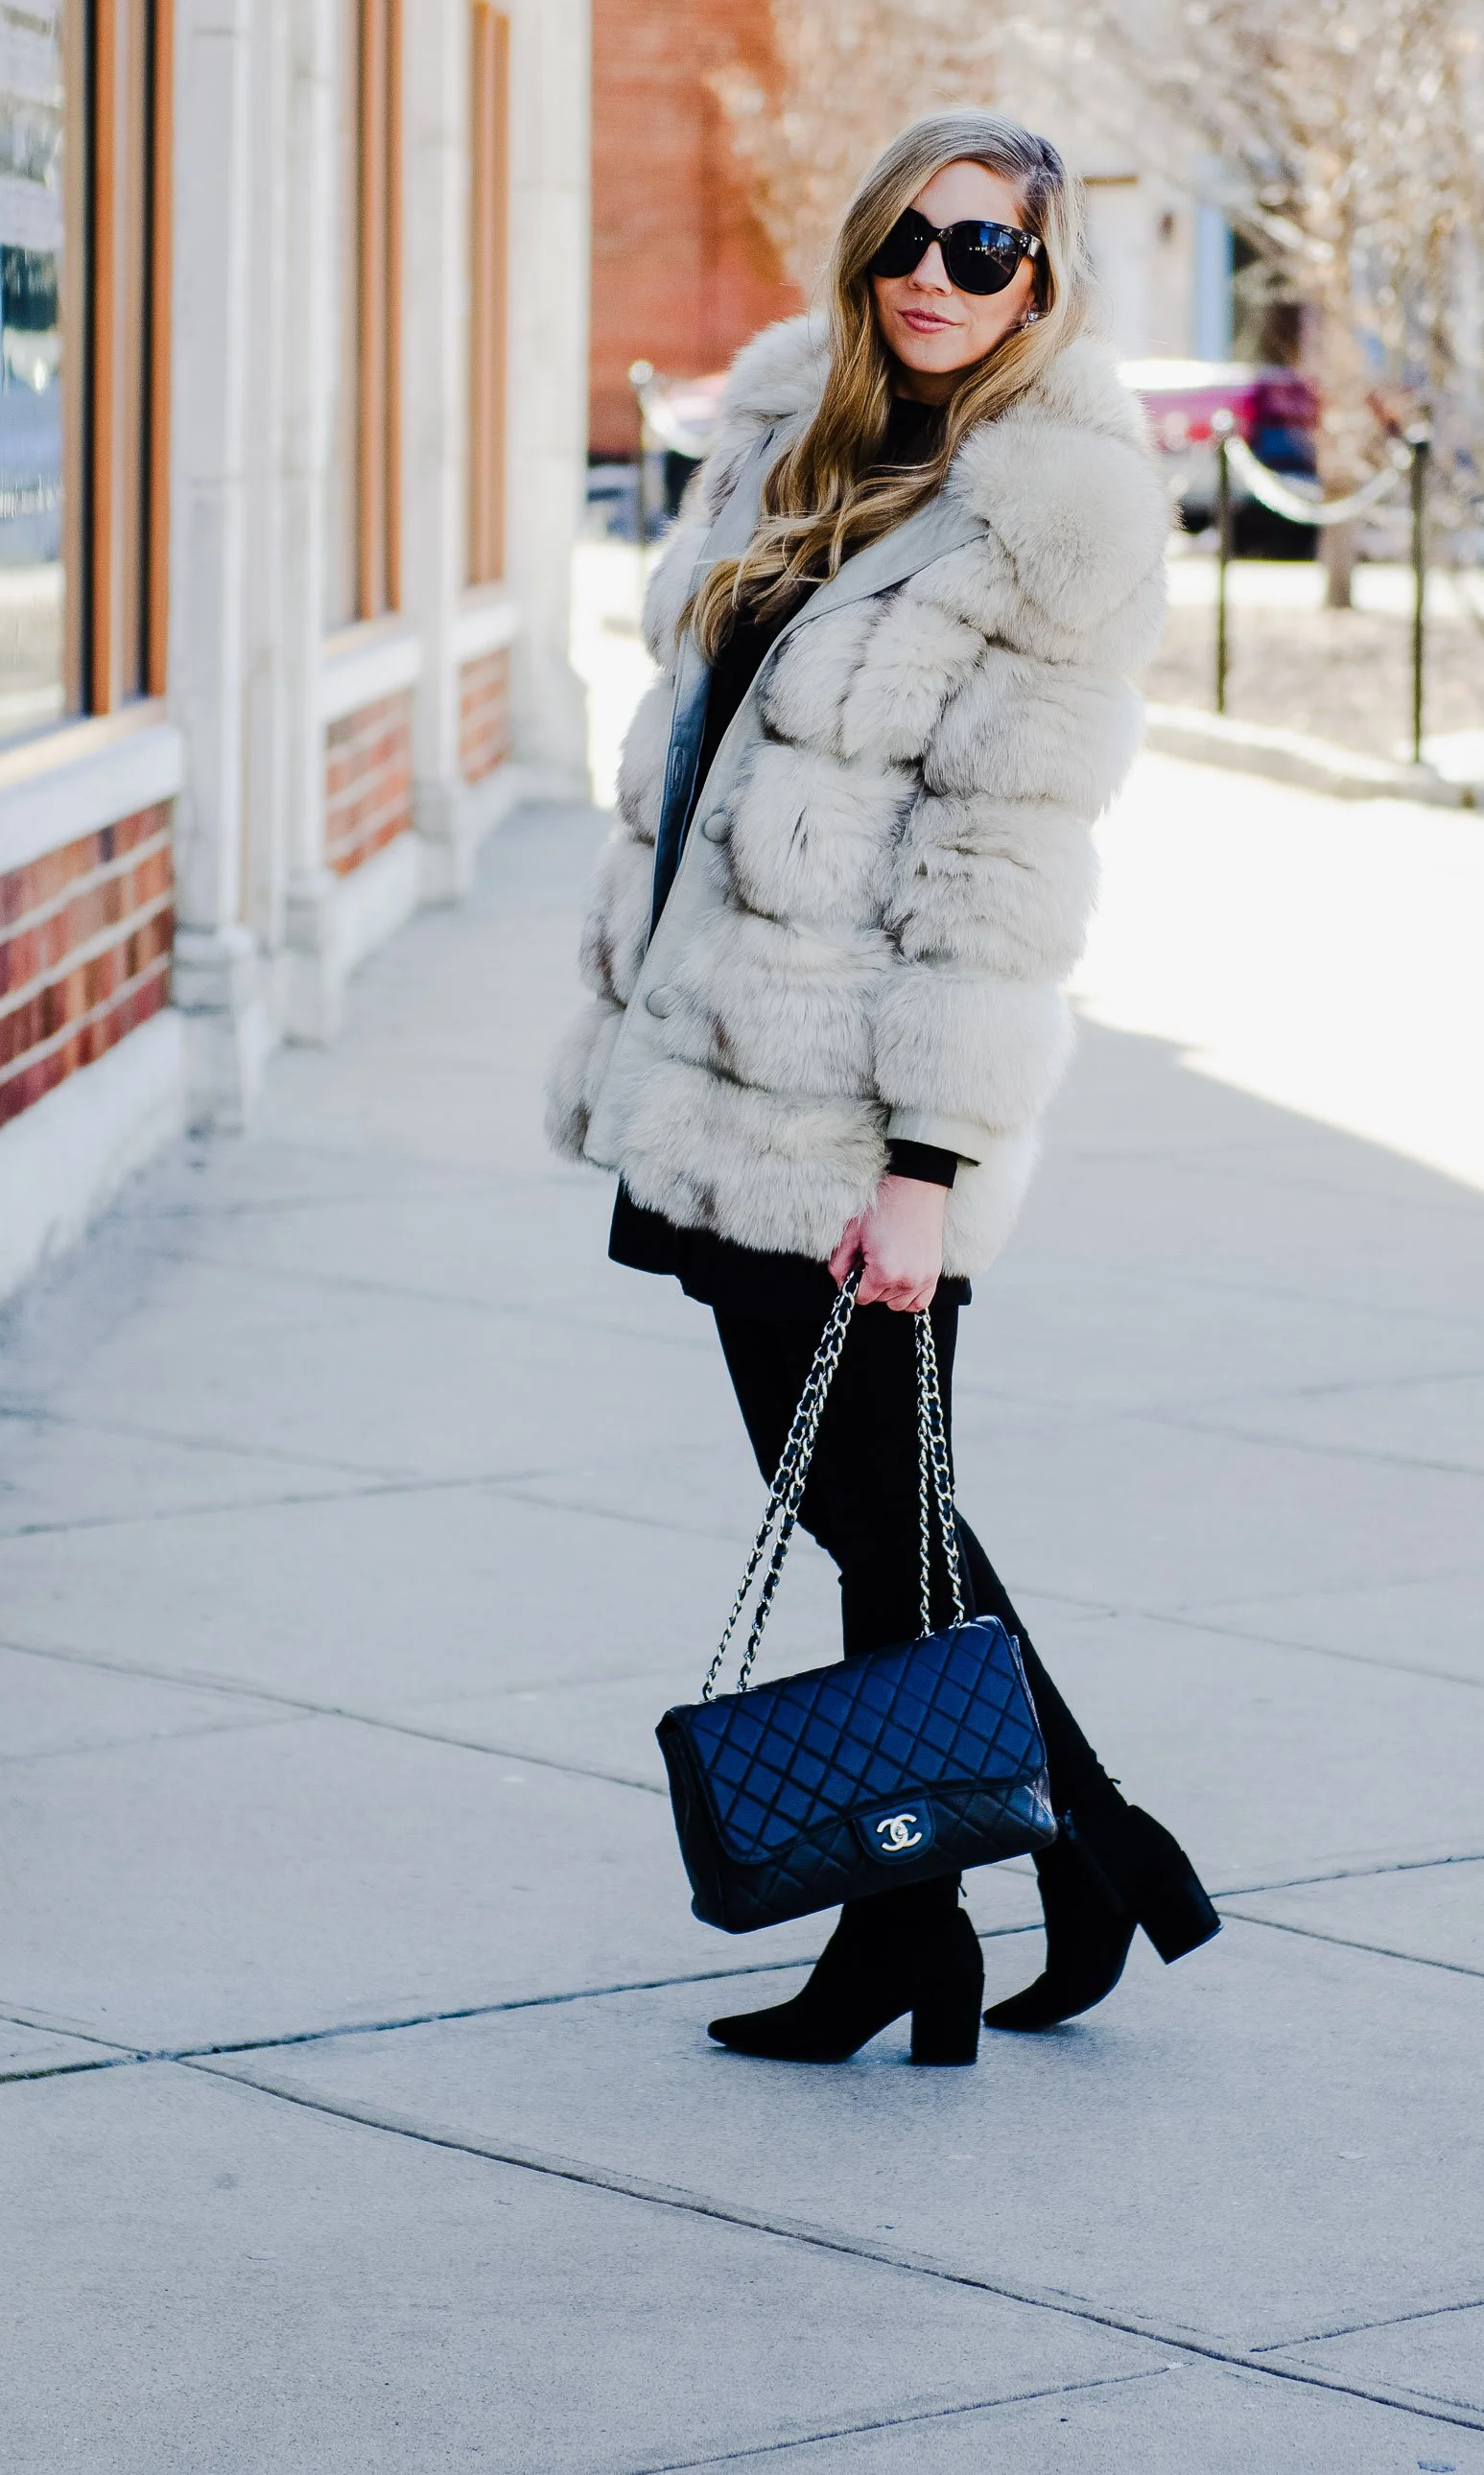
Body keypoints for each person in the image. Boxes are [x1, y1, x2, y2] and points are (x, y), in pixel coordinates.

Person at [549, 109, 1218, 2065]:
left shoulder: (1052, 517)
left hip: (858, 1110)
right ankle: (1016, 1886)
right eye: (909, 240)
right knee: (866, 1509)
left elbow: (1004, 872)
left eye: (985, 250)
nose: (936, 274)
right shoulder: (800, 444)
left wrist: (930, 1165)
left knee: (879, 1508)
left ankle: (1026, 1878)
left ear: (1047, 280)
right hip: (720, 1066)